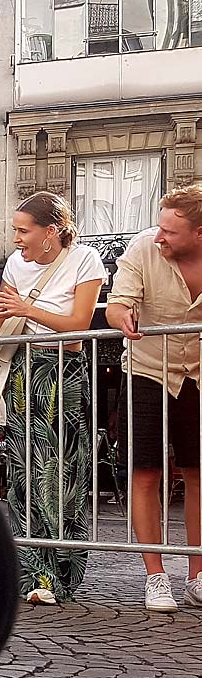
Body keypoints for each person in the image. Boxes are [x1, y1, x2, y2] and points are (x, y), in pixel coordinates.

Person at [0, 192, 106, 605]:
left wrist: (27, 309)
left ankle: (62, 572)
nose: (15, 239)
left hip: (61, 372)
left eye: (23, 230)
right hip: (22, 369)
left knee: (61, 473)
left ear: (50, 232)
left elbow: (78, 324)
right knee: (21, 472)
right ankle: (32, 573)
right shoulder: (16, 265)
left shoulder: (84, 259)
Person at [105, 183, 202, 612]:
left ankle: (199, 577)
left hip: (199, 374)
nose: (159, 236)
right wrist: (121, 312)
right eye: (159, 227)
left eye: (171, 231)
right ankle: (155, 575)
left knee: (198, 474)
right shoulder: (143, 247)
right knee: (145, 473)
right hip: (146, 370)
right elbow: (116, 302)